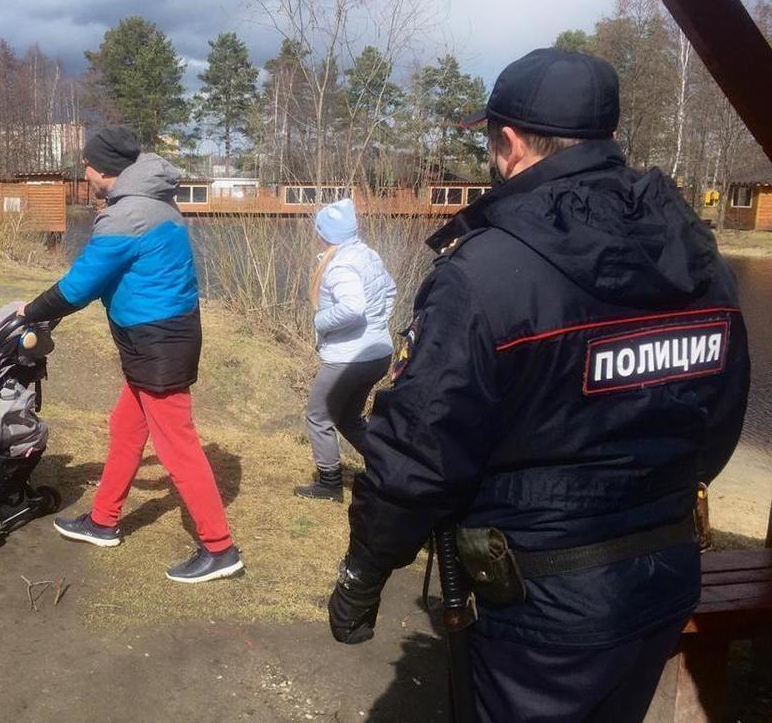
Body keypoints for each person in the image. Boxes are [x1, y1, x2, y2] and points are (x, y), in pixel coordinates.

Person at [326, 49, 749, 722]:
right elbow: (721, 418)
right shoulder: (693, 252)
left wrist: (365, 571)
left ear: (511, 144)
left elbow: (418, 455)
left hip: (542, 606)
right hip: (664, 572)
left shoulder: (485, 274)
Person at [18, 125, 243, 584]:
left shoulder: (127, 215)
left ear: (103, 169)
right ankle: (103, 521)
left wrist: (32, 311)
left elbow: (81, 284)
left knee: (177, 444)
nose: (83, 170)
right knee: (125, 426)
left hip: (158, 341)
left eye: (86, 164)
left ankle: (220, 548)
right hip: (156, 338)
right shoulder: (152, 201)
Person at [296, 198, 396, 502]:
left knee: (318, 416)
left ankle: (329, 484)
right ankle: (388, 469)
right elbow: (390, 290)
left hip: (349, 359)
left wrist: (320, 321)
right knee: (349, 417)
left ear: (326, 233)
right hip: (377, 353)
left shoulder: (339, 265)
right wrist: (378, 324)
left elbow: (352, 309)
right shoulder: (366, 254)